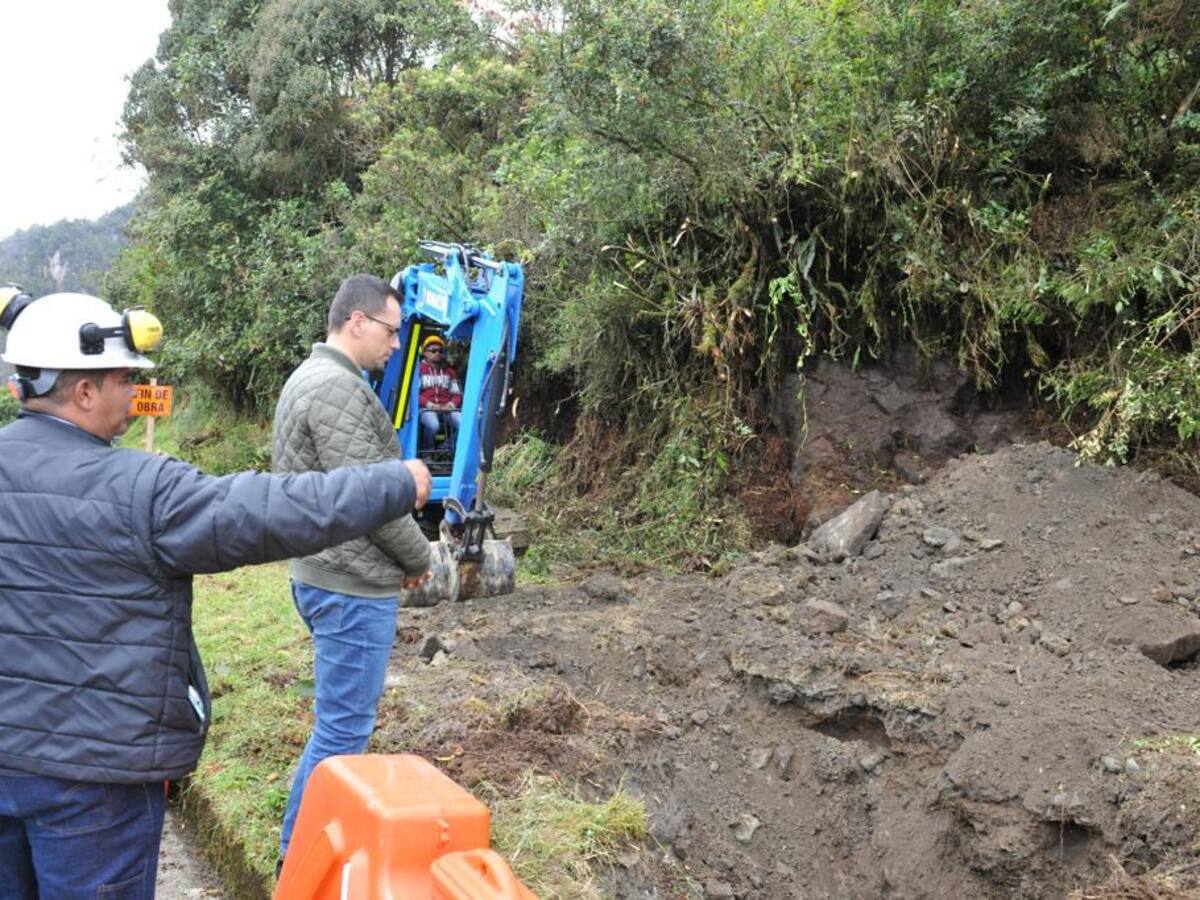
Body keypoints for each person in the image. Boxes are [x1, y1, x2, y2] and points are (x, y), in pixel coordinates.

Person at [0, 287, 432, 899]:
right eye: (125, 378)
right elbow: (267, 510)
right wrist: (392, 484)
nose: (133, 391)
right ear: (84, 390)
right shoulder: (140, 489)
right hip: (94, 783)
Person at [271, 274, 433, 866]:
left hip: (322, 573)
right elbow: (372, 500)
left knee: (336, 724)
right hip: (349, 585)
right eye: (391, 331)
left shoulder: (310, 379)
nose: (396, 344)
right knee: (342, 732)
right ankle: (301, 855)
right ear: (358, 322)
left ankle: (310, 843)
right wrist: (419, 560)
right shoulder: (337, 389)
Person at [417, 333, 462, 452]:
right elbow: (414, 395)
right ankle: (428, 452)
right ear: (425, 352)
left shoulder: (450, 372)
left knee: (464, 424)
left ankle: (445, 449)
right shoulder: (418, 370)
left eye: (440, 351)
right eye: (433, 350)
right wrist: (431, 405)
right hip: (426, 408)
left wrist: (450, 405)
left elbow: (456, 395)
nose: (437, 353)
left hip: (447, 408)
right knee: (433, 425)